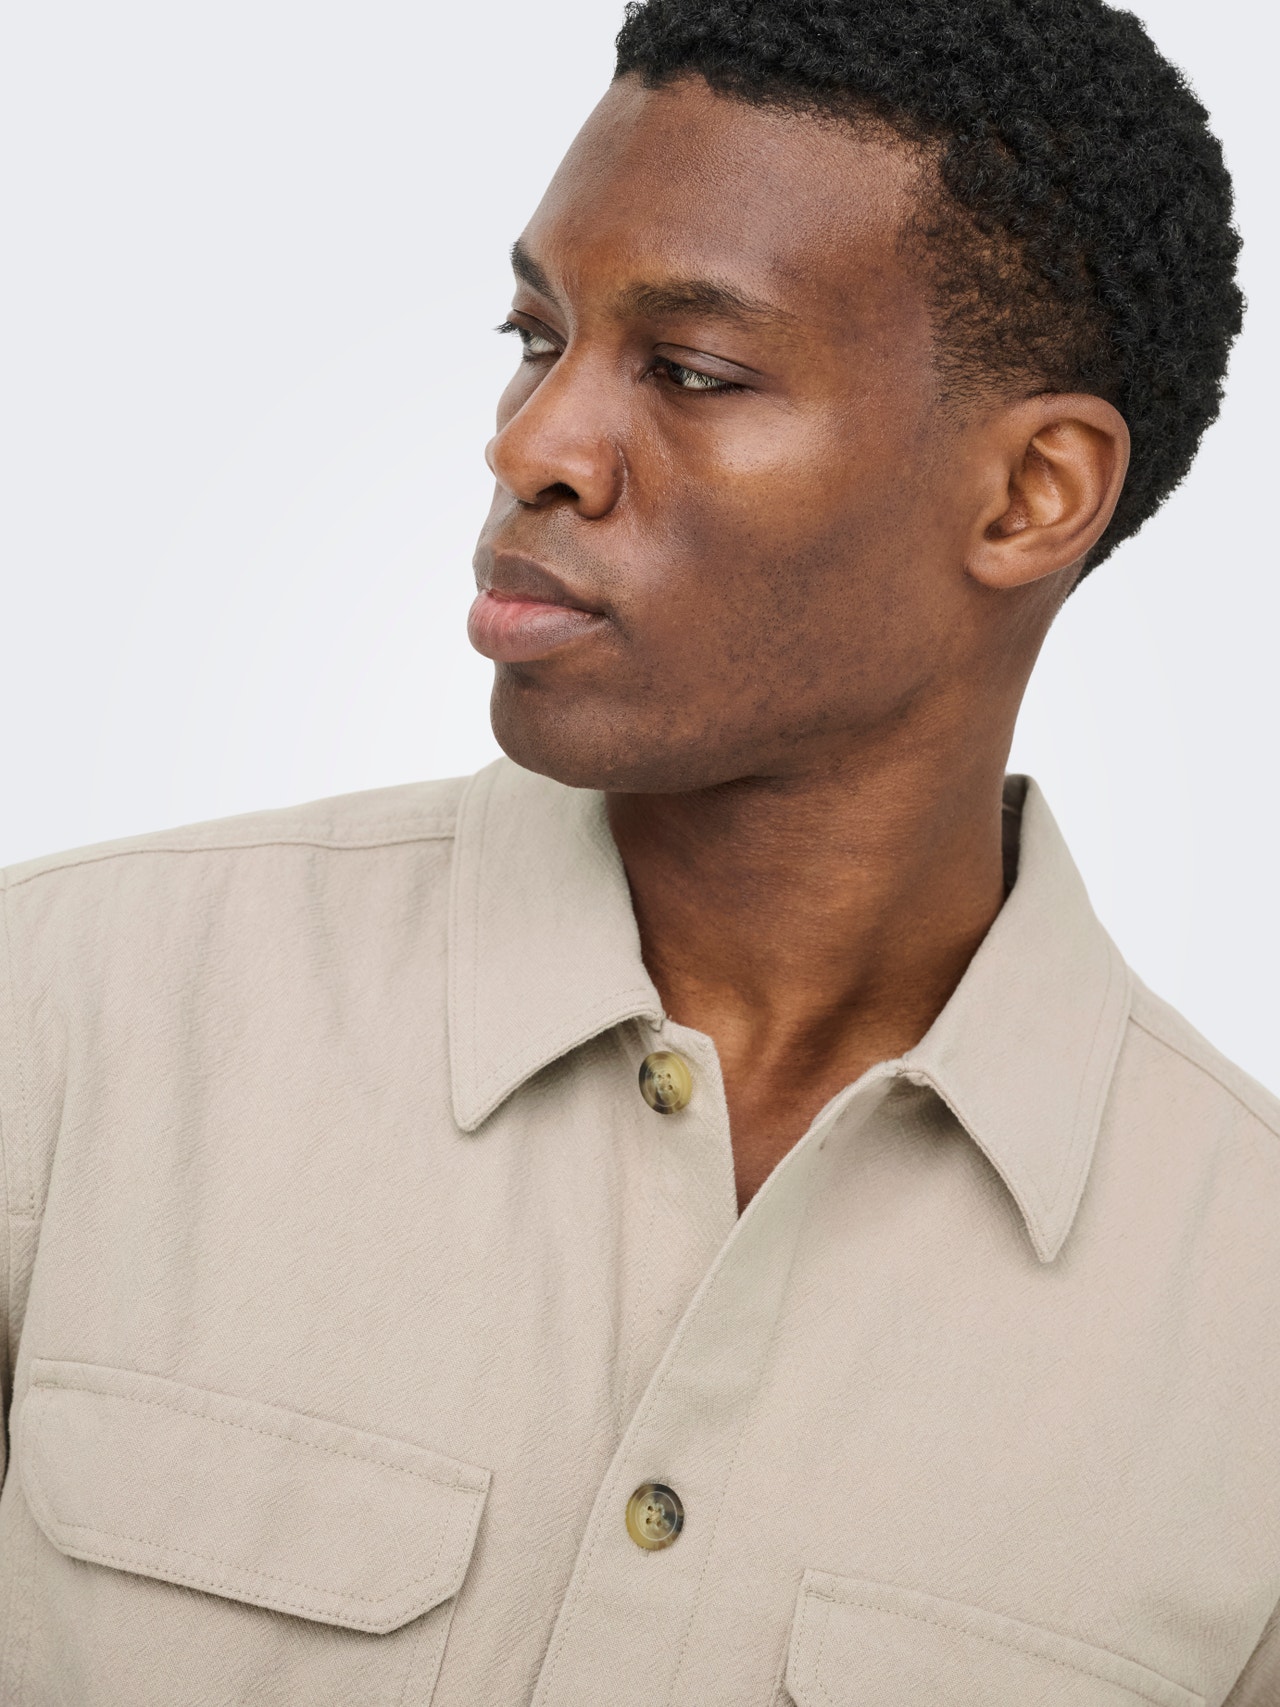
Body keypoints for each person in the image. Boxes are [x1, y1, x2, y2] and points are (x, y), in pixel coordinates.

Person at [0, 0, 1274, 1702]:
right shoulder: (63, 1023)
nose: (531, 445)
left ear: (1033, 492)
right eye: (536, 335)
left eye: (691, 372)